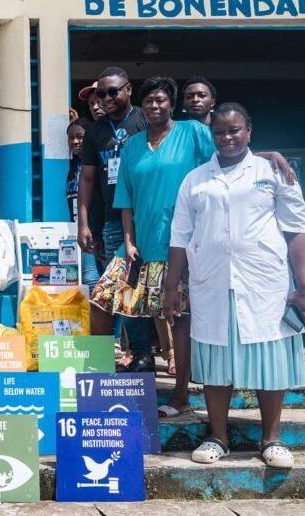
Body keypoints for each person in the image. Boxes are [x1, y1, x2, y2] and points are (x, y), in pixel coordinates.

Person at [163, 103, 305, 469]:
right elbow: (180, 236)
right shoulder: (195, 179)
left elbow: (297, 230)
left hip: (264, 282)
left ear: (249, 130)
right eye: (220, 132)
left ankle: (272, 438)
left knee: (269, 360)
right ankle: (218, 436)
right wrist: (171, 287)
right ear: (212, 135)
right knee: (216, 361)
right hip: (211, 282)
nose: (228, 138)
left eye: (235, 130)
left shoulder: (276, 172)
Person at [91, 77, 214, 416]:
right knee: (102, 300)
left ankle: (181, 396)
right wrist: (128, 240)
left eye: (160, 100)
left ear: (171, 103)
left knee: (179, 318)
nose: (155, 106)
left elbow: (223, 166)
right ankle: (99, 382)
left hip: (181, 244)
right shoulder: (131, 145)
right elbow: (126, 198)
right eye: (149, 101)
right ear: (141, 106)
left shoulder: (194, 133)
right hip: (140, 245)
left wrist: (270, 156)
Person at [76, 67, 154, 372]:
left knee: (147, 288)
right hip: (111, 222)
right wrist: (84, 223)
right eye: (101, 94)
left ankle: (151, 353)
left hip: (146, 219)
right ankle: (137, 354)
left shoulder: (144, 119)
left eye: (112, 92)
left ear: (128, 89)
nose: (106, 99)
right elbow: (88, 180)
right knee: (123, 288)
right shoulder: (96, 131)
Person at [65, 118, 101, 287]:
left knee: (92, 278)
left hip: (94, 228)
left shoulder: (96, 165)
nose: (75, 141)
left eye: (80, 136)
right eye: (71, 138)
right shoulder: (72, 166)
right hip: (77, 230)